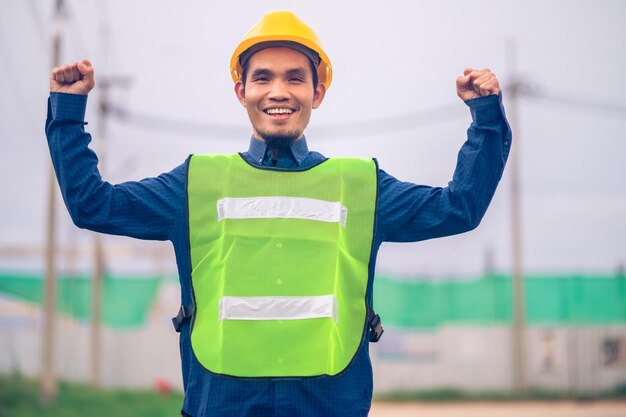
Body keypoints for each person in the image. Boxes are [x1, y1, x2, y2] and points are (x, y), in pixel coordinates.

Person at [46, 10, 511, 417]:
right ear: (241, 90)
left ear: (318, 91)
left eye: (294, 77)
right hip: (222, 402)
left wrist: (485, 119)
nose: (278, 91)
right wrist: (68, 111)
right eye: (263, 77)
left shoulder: (360, 184)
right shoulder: (195, 183)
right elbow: (94, 205)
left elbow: (459, 208)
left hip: (330, 403)